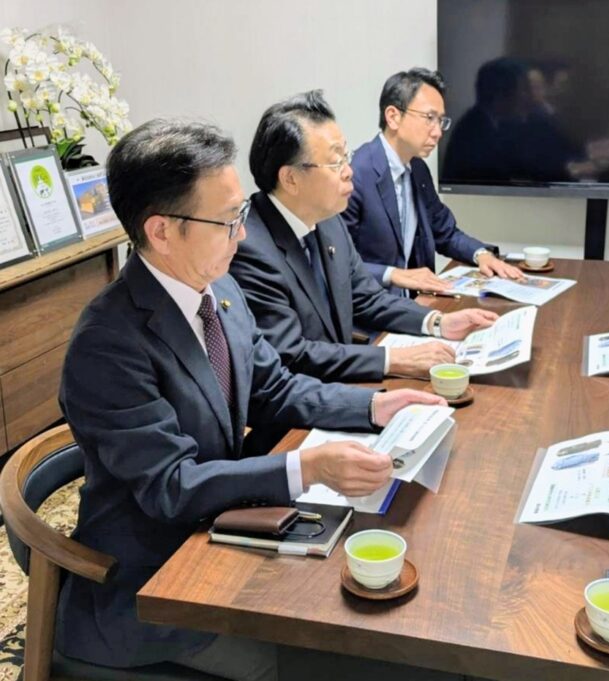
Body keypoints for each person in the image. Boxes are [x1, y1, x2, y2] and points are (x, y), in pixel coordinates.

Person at [56, 119, 446, 679]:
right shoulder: (108, 343)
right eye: (227, 221)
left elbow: (274, 387)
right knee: (324, 659)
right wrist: (307, 467)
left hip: (223, 531)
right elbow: (173, 486)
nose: (241, 236)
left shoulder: (218, 288)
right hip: (153, 587)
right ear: (161, 231)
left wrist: (371, 407)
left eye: (240, 214)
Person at [230, 90, 496, 397]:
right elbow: (293, 355)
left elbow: (367, 298)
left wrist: (439, 322)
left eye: (346, 157)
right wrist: (395, 360)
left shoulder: (329, 221)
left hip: (340, 388)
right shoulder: (249, 248)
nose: (349, 172)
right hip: (299, 407)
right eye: (335, 163)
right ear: (290, 179)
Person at [344, 68, 523, 295]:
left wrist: (481, 255)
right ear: (393, 117)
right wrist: (394, 274)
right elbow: (336, 264)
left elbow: (445, 232)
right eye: (429, 118)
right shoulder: (356, 174)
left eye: (441, 121)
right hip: (372, 304)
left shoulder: (417, 168)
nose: (438, 132)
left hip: (415, 301)